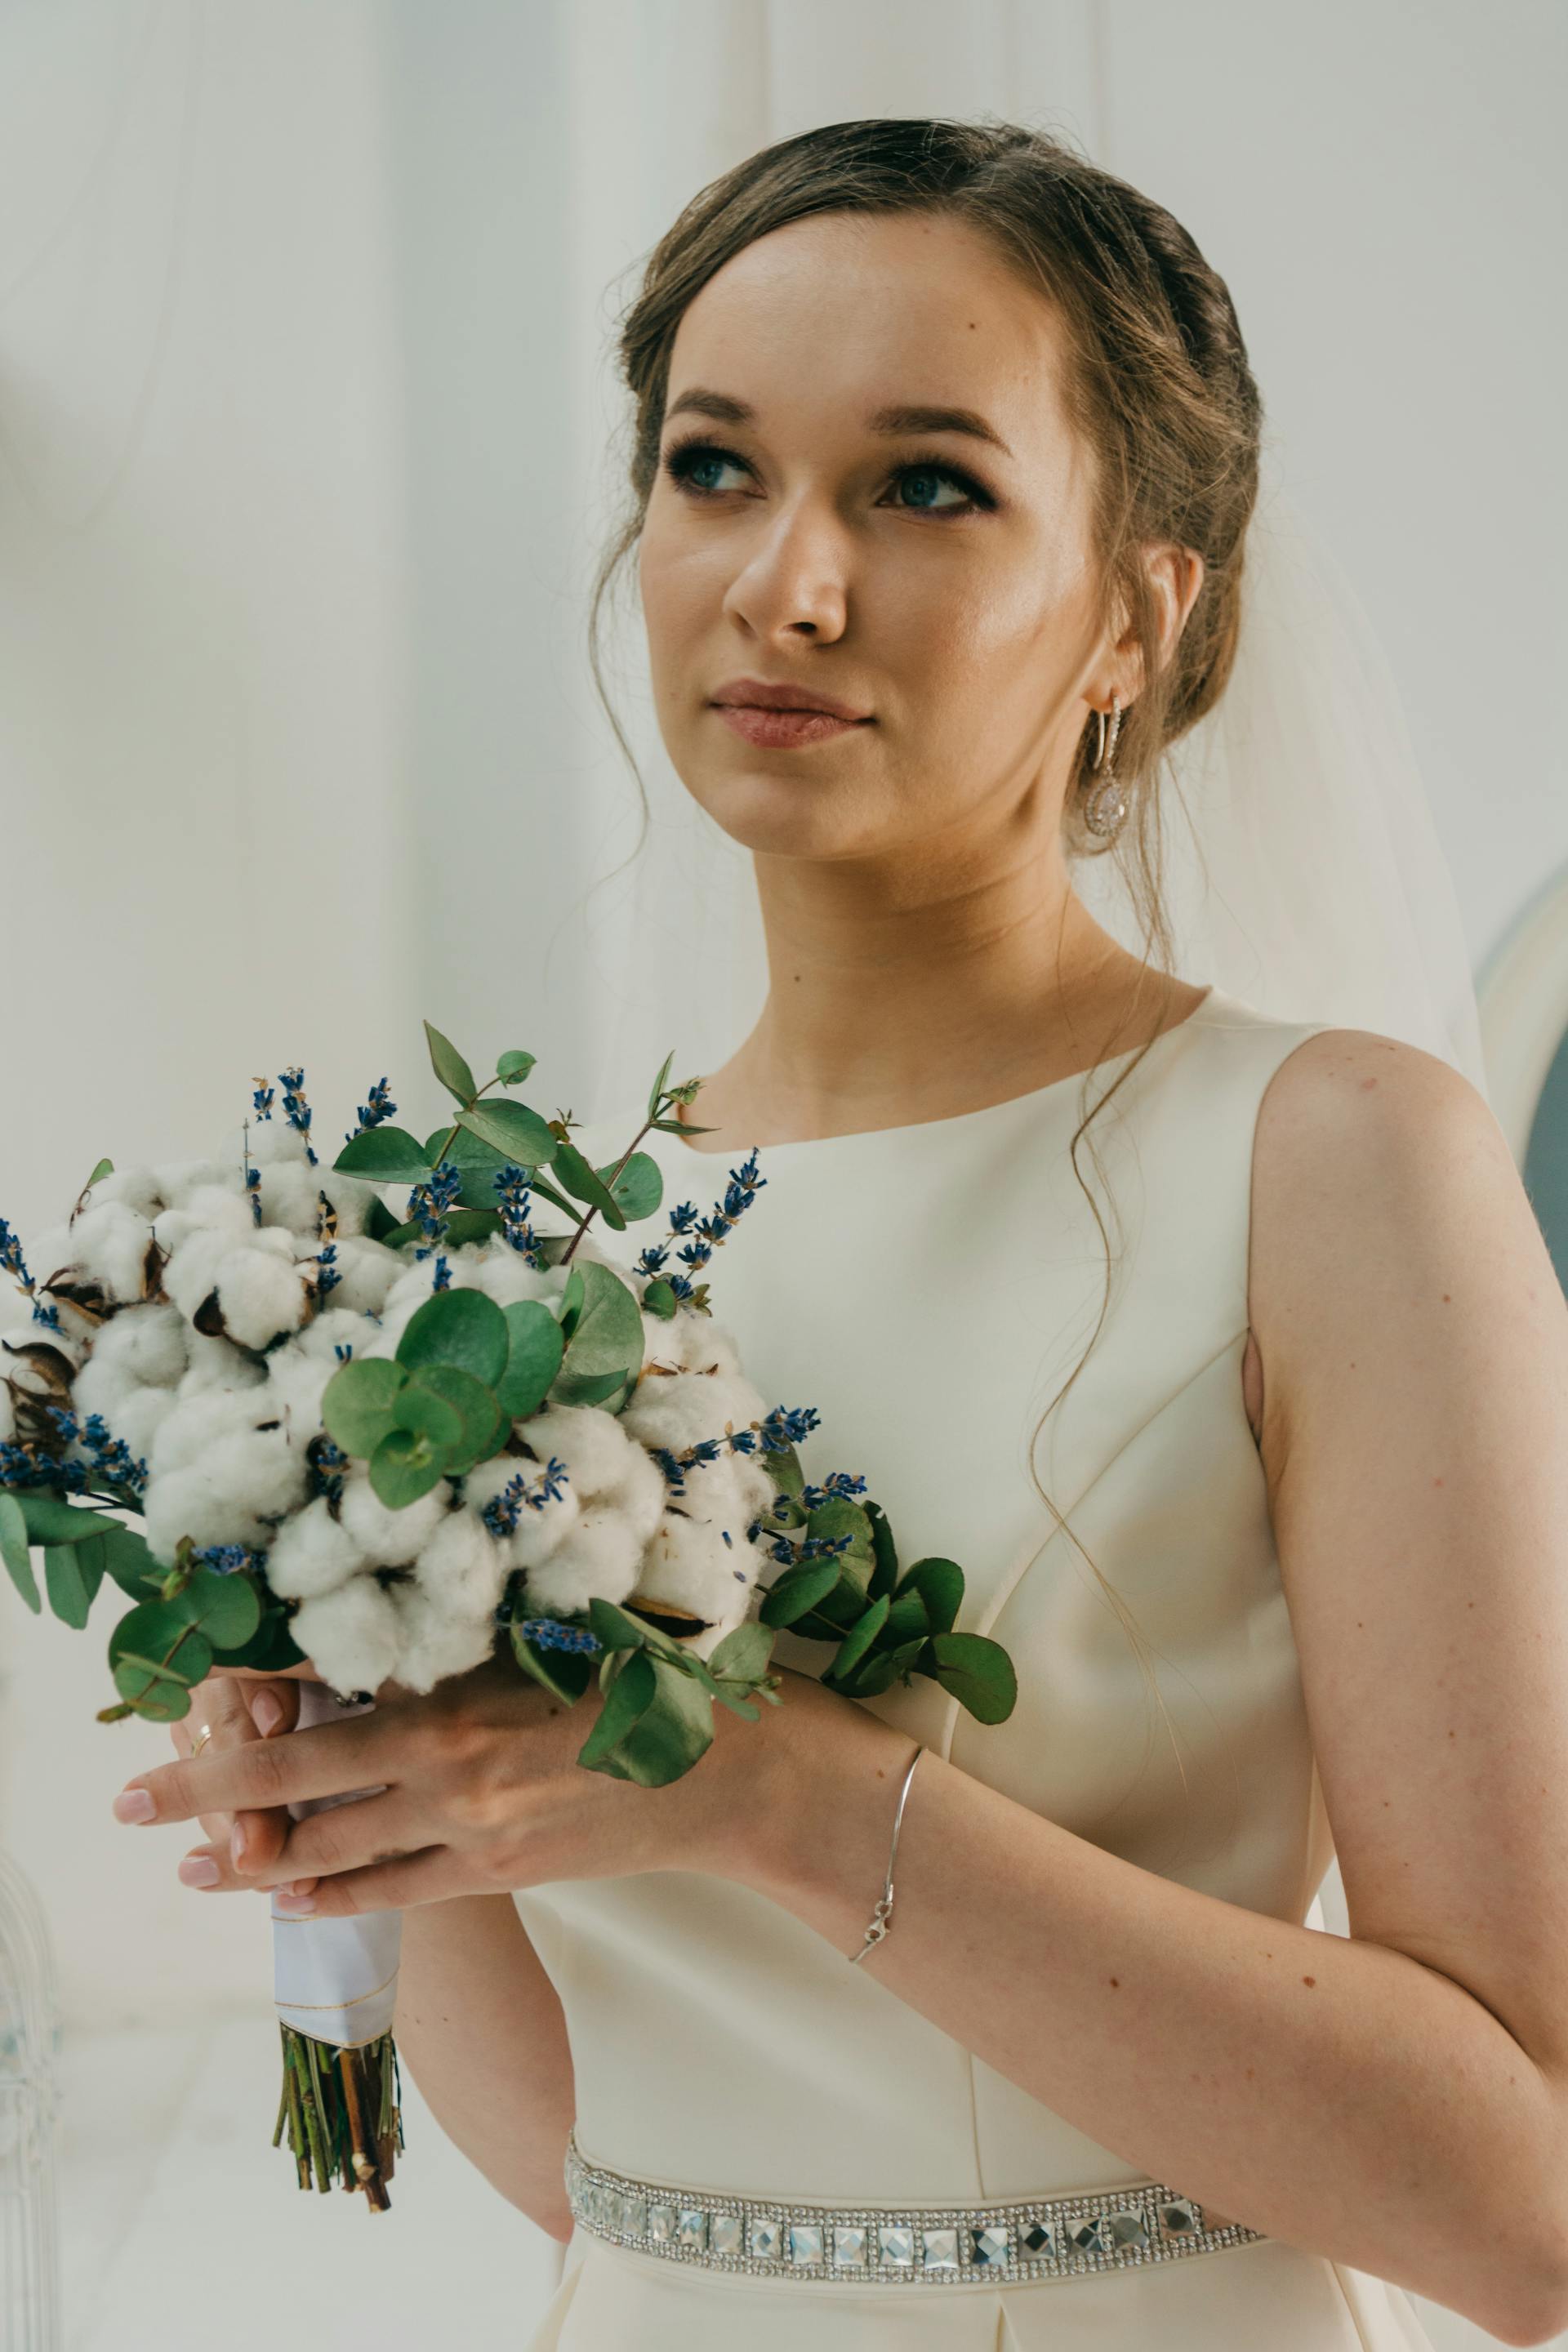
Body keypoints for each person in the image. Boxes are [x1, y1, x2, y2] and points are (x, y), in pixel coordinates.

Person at [123, 120, 1568, 2348]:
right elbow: (612, 2167)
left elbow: (1526, 2204)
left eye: (925, 487)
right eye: (715, 468)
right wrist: (368, 1787)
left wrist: (782, 1796)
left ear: (1139, 614)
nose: (786, 583)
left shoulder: (1331, 1163)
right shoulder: (524, 1259)